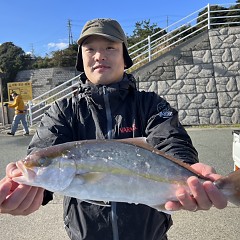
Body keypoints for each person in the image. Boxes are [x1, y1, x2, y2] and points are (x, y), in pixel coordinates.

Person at [0, 18, 227, 240]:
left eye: (110, 47)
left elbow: (171, 140)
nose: (99, 55)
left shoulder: (150, 104)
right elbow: (46, 148)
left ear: (124, 57)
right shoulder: (63, 110)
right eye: (90, 49)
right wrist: (33, 191)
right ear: (82, 59)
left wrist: (190, 170)